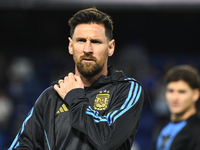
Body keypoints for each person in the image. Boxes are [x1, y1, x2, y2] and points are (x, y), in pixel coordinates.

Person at [8, 7, 145, 150]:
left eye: (96, 42)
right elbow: (23, 145)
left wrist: (74, 97)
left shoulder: (127, 90)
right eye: (81, 41)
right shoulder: (51, 96)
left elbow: (107, 140)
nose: (87, 49)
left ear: (110, 47)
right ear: (70, 46)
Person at [151, 65, 200, 150]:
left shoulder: (197, 130)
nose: (175, 98)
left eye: (182, 92)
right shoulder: (164, 125)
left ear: (195, 94)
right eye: (171, 91)